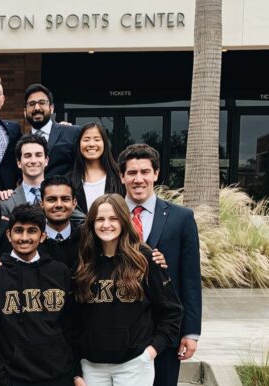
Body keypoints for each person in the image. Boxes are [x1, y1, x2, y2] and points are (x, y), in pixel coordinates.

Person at [72, 194, 183, 386]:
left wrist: (151, 352)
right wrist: (75, 369)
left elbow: (172, 311)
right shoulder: (84, 262)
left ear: (124, 220)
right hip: (92, 366)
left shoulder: (144, 259)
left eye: (113, 218)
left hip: (134, 365)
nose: (106, 224)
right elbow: (72, 319)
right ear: (91, 223)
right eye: (100, 219)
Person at [117, 144, 201, 386]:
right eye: (132, 173)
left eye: (145, 171)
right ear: (122, 176)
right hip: (120, 330)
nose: (138, 179)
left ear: (156, 174)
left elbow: (191, 278)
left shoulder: (181, 217)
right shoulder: (108, 216)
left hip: (166, 329)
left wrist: (191, 332)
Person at [0, 204, 76, 386]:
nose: (25, 238)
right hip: (12, 378)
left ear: (42, 236)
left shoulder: (59, 272)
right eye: (19, 231)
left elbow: (70, 325)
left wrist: (70, 370)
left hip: (59, 375)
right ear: (8, 234)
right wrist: (0, 378)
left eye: (32, 231)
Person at [24, 83, 80, 178]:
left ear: (51, 108)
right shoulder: (21, 142)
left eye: (42, 103)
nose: (37, 108)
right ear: (25, 112)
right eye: (32, 104)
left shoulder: (72, 133)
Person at [70, 122, 124, 213]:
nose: (91, 144)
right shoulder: (69, 179)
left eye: (97, 139)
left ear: (105, 143)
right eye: (86, 140)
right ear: (79, 144)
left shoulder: (119, 176)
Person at [38, 176, 81, 272]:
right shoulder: (33, 241)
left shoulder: (85, 239)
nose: (59, 205)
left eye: (65, 199)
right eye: (51, 199)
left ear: (74, 203)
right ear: (41, 203)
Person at [1, 134, 48, 216]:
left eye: (38, 155)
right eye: (27, 156)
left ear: (46, 160)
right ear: (19, 162)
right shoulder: (6, 201)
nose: (33, 160)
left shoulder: (60, 194)